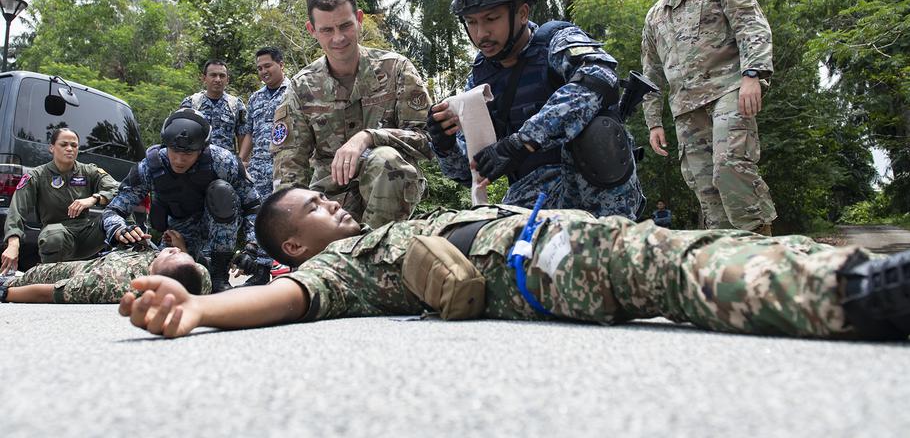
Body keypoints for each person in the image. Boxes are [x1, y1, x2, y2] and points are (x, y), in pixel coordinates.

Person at [118, 186, 910, 342]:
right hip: (547, 264)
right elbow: (284, 302)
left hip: (552, 240)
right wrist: (196, 311)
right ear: (294, 245)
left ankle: (837, 272)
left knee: (692, 253)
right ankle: (858, 293)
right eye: (319, 211)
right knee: (682, 271)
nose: (339, 207)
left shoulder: (378, 231)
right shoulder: (340, 270)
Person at [428, 0, 644, 219]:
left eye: (491, 18)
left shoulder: (557, 42)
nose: (481, 33)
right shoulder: (479, 82)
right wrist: (445, 143)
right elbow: (469, 172)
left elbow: (600, 79)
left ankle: (612, 233)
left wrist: (523, 141)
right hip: (532, 192)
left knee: (598, 131)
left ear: (522, 13)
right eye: (471, 22)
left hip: (594, 189)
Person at [640, 0, 776, 234]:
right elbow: (650, 73)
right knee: (706, 188)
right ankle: (729, 261)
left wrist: (752, 74)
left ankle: (761, 245)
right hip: (686, 109)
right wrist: (653, 122)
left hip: (728, 90)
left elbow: (751, 26)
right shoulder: (654, 17)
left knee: (730, 167)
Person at [270, 0, 432, 229]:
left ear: (358, 19)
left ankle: (374, 252)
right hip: (331, 206)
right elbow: (290, 168)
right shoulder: (302, 87)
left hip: (391, 194)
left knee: (385, 159)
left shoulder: (397, 69)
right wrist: (291, 226)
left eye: (345, 25)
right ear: (312, 30)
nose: (338, 38)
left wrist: (369, 137)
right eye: (327, 30)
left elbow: (428, 140)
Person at [101, 108, 261, 292]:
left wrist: (252, 246)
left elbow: (253, 205)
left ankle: (219, 275)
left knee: (221, 192)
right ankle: (202, 263)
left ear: (201, 150)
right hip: (177, 233)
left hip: (218, 231)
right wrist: (118, 228)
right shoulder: (149, 168)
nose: (178, 160)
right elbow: (113, 210)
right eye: (174, 151)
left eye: (187, 154)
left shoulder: (224, 162)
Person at [2, 128, 120, 273]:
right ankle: (49, 278)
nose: (69, 149)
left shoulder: (88, 171)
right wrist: (13, 243)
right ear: (52, 148)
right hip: (55, 235)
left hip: (86, 234)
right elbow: (17, 209)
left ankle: (132, 257)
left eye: (74, 145)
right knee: (54, 235)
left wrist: (94, 198)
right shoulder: (37, 175)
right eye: (64, 145)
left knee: (118, 215)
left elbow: (120, 191)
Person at [0, 236, 209, 304]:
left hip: (80, 271)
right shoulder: (199, 275)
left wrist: (7, 294)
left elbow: (49, 292)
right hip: (117, 255)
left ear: (156, 277)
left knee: (28, 276)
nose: (173, 249)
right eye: (182, 254)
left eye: (173, 254)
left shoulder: (112, 283)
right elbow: (181, 271)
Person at [237, 46, 291, 282]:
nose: (263, 71)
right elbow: (248, 132)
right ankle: (260, 270)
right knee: (259, 216)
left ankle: (290, 268)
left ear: (281, 64)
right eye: (259, 68)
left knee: (286, 215)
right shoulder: (256, 97)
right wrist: (241, 161)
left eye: (267, 66)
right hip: (259, 167)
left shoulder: (295, 91)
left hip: (286, 163)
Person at [180, 59, 247, 155]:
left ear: (227, 80)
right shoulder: (191, 103)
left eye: (222, 76)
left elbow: (243, 136)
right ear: (204, 78)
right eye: (213, 75)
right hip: (196, 163)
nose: (218, 79)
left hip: (226, 164)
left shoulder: (236, 105)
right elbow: (181, 134)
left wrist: (242, 162)